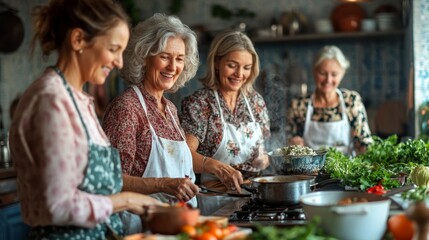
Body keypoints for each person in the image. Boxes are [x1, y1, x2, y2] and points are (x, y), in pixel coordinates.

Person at [8, 0, 163, 239]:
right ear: (78, 39)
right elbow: (58, 206)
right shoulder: (51, 100)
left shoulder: (78, 99)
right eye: (113, 49)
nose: (119, 62)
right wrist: (129, 200)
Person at [101, 13, 200, 231]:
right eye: (164, 56)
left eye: (180, 59)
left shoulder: (171, 109)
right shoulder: (127, 108)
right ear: (144, 57)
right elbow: (111, 180)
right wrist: (165, 185)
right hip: (140, 227)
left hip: (177, 224)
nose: (173, 66)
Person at [180, 30, 271, 215]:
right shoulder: (200, 103)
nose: (239, 74)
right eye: (232, 65)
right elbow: (184, 155)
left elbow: (264, 153)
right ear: (216, 63)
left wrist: (263, 159)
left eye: (246, 67)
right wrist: (220, 169)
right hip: (215, 201)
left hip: (255, 199)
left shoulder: (256, 102)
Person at [286, 45, 373, 156]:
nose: (328, 80)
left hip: (345, 171)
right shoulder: (299, 104)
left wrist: (362, 147)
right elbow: (288, 141)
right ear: (314, 71)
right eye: (322, 73)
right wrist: (293, 144)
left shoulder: (351, 101)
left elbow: (365, 142)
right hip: (309, 171)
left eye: (334, 74)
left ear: (342, 73)